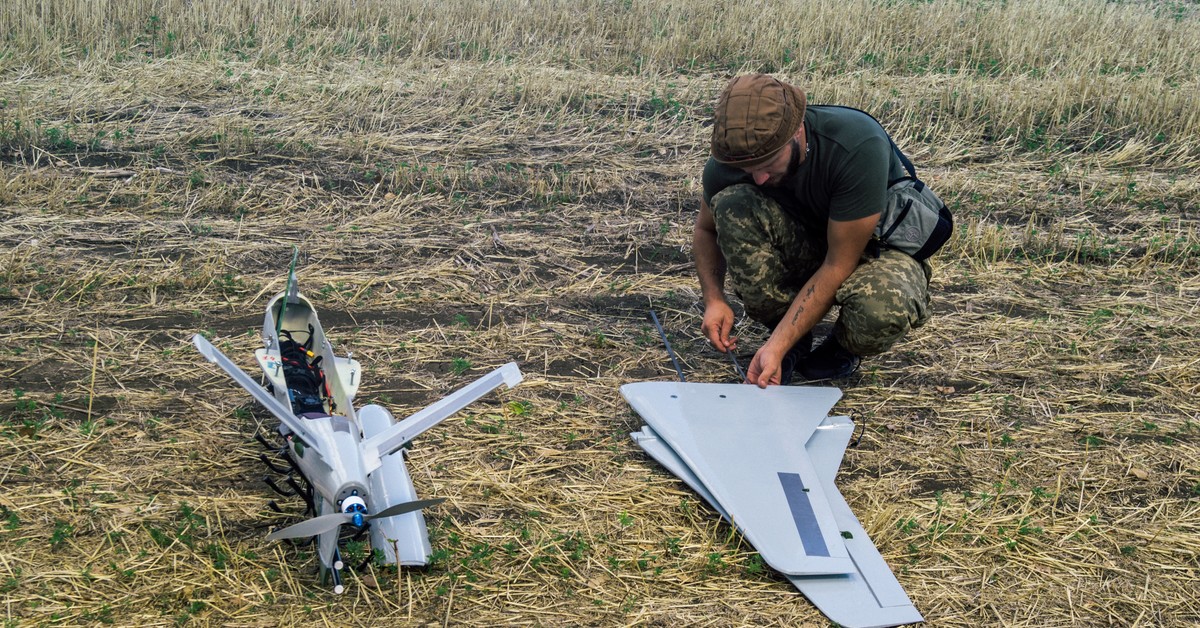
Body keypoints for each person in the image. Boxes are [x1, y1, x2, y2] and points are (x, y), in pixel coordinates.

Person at [693, 73, 935, 388]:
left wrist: (776, 347)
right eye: (747, 170)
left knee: (883, 307)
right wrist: (714, 299)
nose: (759, 179)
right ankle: (790, 333)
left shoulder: (856, 145)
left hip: (867, 250)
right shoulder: (731, 160)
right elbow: (705, 229)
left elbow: (838, 265)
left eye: (768, 164)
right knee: (733, 205)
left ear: (797, 130)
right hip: (804, 243)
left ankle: (842, 348)